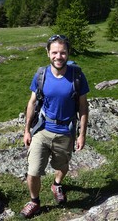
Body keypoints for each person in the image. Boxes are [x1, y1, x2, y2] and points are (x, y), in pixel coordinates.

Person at [20, 34, 90, 218]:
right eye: (55, 52)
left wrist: (82, 134)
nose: (58, 57)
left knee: (63, 165)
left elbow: (83, 107)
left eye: (63, 52)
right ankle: (34, 201)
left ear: (68, 53)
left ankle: (57, 183)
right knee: (33, 170)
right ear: (48, 53)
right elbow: (32, 103)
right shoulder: (41, 75)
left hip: (66, 132)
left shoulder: (77, 76)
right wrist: (27, 130)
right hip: (42, 131)